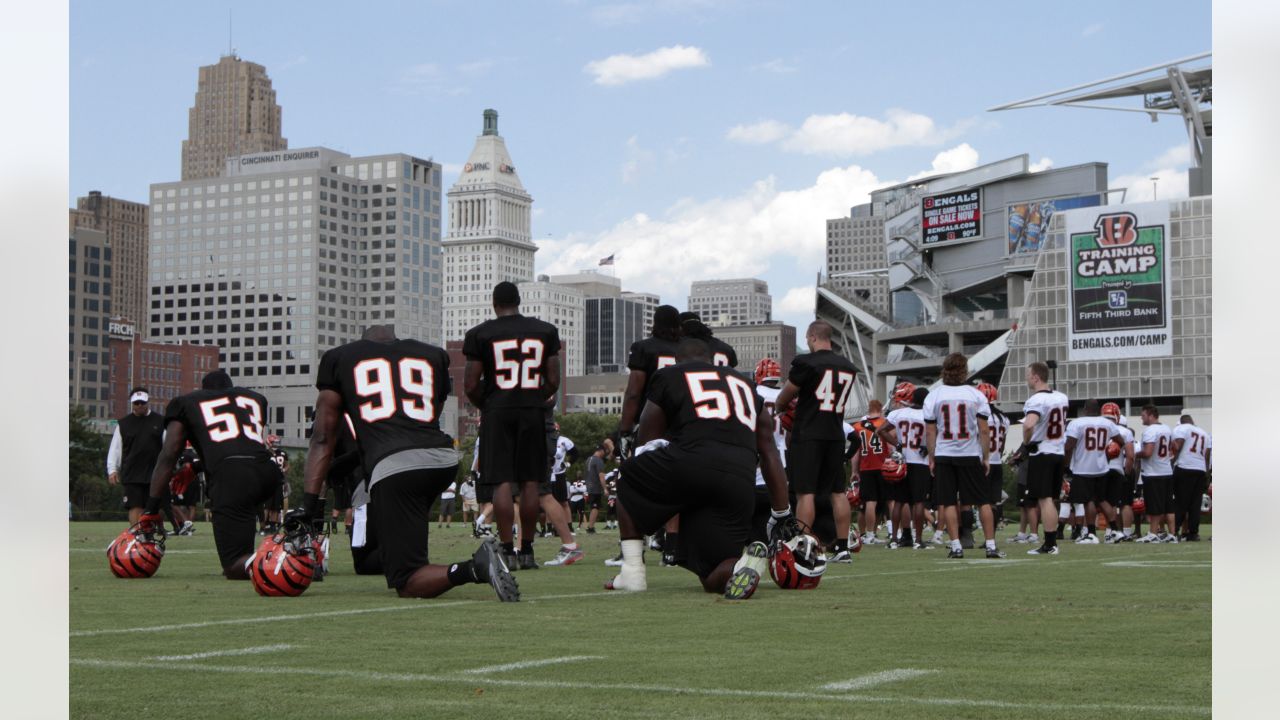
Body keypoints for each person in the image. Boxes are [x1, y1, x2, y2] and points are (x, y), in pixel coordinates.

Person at [298, 324, 518, 601]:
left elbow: (322, 437)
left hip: (396, 467)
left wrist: (308, 507)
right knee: (394, 551)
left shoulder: (338, 358)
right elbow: (431, 413)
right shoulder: (432, 355)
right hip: (442, 460)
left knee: (408, 579)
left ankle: (474, 567)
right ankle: (408, 559)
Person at [606, 337, 796, 599]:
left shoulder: (669, 375)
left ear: (677, 360)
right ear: (710, 360)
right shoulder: (746, 384)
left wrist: (651, 484)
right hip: (740, 477)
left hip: (692, 460)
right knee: (712, 576)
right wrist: (782, 511)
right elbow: (769, 451)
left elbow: (647, 441)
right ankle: (742, 565)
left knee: (628, 474)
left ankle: (632, 571)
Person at [136, 371, 281, 580]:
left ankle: (287, 559)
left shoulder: (185, 403)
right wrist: (196, 467)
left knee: (233, 565)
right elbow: (238, 444)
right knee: (242, 535)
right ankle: (302, 548)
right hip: (268, 472)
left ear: (203, 390)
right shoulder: (256, 399)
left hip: (233, 478)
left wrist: (151, 508)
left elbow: (168, 455)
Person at [463, 281, 563, 570]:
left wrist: (490, 404)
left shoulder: (480, 334)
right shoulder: (545, 331)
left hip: (498, 410)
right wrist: (533, 398)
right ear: (520, 302)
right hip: (532, 410)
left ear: (494, 304)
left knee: (502, 482)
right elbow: (553, 380)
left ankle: (508, 550)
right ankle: (527, 550)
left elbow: (471, 384)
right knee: (531, 481)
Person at [774, 321, 856, 561]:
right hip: (835, 433)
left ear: (811, 337)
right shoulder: (848, 366)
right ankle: (842, 547)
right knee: (838, 492)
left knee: (805, 493)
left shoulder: (805, 363)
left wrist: (781, 407)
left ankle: (803, 546)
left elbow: (786, 395)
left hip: (809, 433)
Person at [616, 305, 682, 564]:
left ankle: (632, 550)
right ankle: (672, 547)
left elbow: (634, 391)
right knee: (676, 485)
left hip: (652, 424)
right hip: (683, 424)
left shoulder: (644, 348)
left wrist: (624, 428)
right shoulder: (686, 349)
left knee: (633, 484)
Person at [922, 353, 997, 559]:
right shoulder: (975, 395)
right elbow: (983, 430)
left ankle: (956, 546)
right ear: (965, 371)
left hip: (945, 453)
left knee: (947, 502)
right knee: (983, 501)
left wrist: (931, 456)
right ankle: (990, 545)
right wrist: (986, 456)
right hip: (969, 453)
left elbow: (930, 431)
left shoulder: (934, 395)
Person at [1021, 362, 1070, 556]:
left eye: (1028, 375)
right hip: (1058, 450)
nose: (1026, 378)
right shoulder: (1061, 397)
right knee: (1050, 498)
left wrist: (1027, 443)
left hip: (1043, 452)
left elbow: (1028, 424)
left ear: (1036, 377)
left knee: (1045, 499)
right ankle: (1051, 542)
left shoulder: (1036, 400)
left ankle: (1050, 544)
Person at [1062, 400, 1125, 545]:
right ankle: (1115, 530)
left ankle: (1091, 533)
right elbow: (1120, 441)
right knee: (1102, 500)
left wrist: (1065, 466)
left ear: (1085, 409)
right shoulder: (1107, 423)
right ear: (1098, 410)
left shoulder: (1077, 423)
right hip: (1102, 467)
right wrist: (1109, 453)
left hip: (1083, 468)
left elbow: (1069, 447)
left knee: (1088, 501)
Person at [880, 387, 932, 549]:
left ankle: (894, 539)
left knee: (899, 502)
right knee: (919, 502)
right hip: (920, 462)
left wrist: (898, 444)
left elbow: (880, 430)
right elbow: (933, 435)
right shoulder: (928, 415)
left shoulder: (899, 413)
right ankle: (918, 540)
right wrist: (928, 448)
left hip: (902, 461)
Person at [107, 387, 166, 526]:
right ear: (132, 403)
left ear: (148, 402)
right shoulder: (123, 424)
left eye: (142, 403)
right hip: (132, 472)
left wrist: (170, 468)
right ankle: (136, 536)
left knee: (158, 507)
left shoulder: (160, 421)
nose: (140, 406)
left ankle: (153, 534)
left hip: (156, 472)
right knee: (135, 506)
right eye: (136, 403)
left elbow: (167, 447)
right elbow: (115, 448)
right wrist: (112, 470)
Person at [851, 399, 891, 546]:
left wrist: (854, 470)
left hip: (866, 467)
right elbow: (891, 446)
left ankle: (868, 534)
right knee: (881, 502)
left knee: (869, 502)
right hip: (883, 466)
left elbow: (856, 451)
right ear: (880, 409)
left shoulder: (857, 426)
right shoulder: (885, 423)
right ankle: (872, 534)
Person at [1135, 406, 1177, 543]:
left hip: (1153, 473)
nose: (1141, 417)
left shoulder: (1150, 430)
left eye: (1143, 415)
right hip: (1166, 471)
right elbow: (1175, 447)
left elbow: (1147, 452)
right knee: (1168, 506)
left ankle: (1153, 533)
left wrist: (1135, 454)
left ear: (1151, 415)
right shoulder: (1167, 428)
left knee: (1154, 506)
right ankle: (1172, 534)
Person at [1171, 414, 1212, 541]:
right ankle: (1193, 532)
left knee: (1181, 501)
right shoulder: (1204, 433)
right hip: (1200, 469)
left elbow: (1178, 446)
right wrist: (1206, 473)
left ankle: (1174, 530)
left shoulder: (1182, 428)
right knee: (1195, 503)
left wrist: (1172, 463)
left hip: (1185, 466)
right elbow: (1207, 455)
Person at [1100, 403, 1137, 542]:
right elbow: (1130, 456)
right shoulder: (1125, 431)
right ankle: (1120, 532)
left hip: (1100, 469)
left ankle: (1110, 531)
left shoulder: (1098, 429)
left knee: (1103, 502)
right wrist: (1127, 472)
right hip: (1117, 470)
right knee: (1118, 503)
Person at [977, 383, 1009, 535]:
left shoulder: (980, 416)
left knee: (980, 502)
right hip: (997, 461)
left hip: (983, 462)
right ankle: (992, 536)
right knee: (994, 503)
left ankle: (975, 535)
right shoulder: (1004, 418)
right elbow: (1003, 445)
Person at [584, 444, 607, 533]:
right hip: (595, 487)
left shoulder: (588, 459)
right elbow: (601, 475)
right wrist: (605, 488)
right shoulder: (598, 460)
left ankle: (590, 526)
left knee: (593, 506)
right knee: (595, 507)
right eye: (604, 452)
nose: (604, 454)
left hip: (589, 485)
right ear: (601, 451)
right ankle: (590, 527)